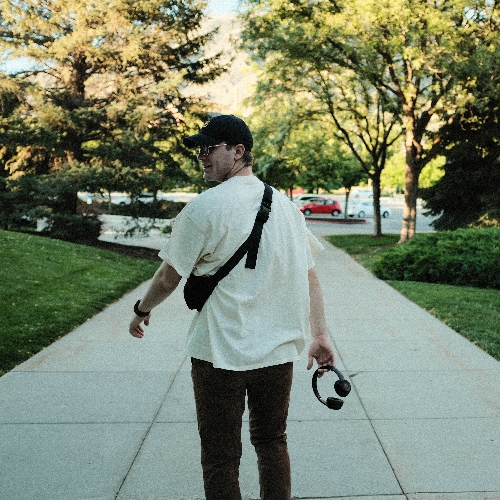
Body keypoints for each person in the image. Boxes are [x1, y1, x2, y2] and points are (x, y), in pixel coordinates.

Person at [129, 114, 335, 500]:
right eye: (199, 150)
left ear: (238, 151)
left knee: (220, 456)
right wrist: (320, 335)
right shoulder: (287, 208)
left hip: (219, 353)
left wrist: (142, 310)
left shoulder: (204, 208)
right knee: (272, 442)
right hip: (277, 355)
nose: (201, 157)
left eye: (209, 148)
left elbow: (168, 277)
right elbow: (310, 275)